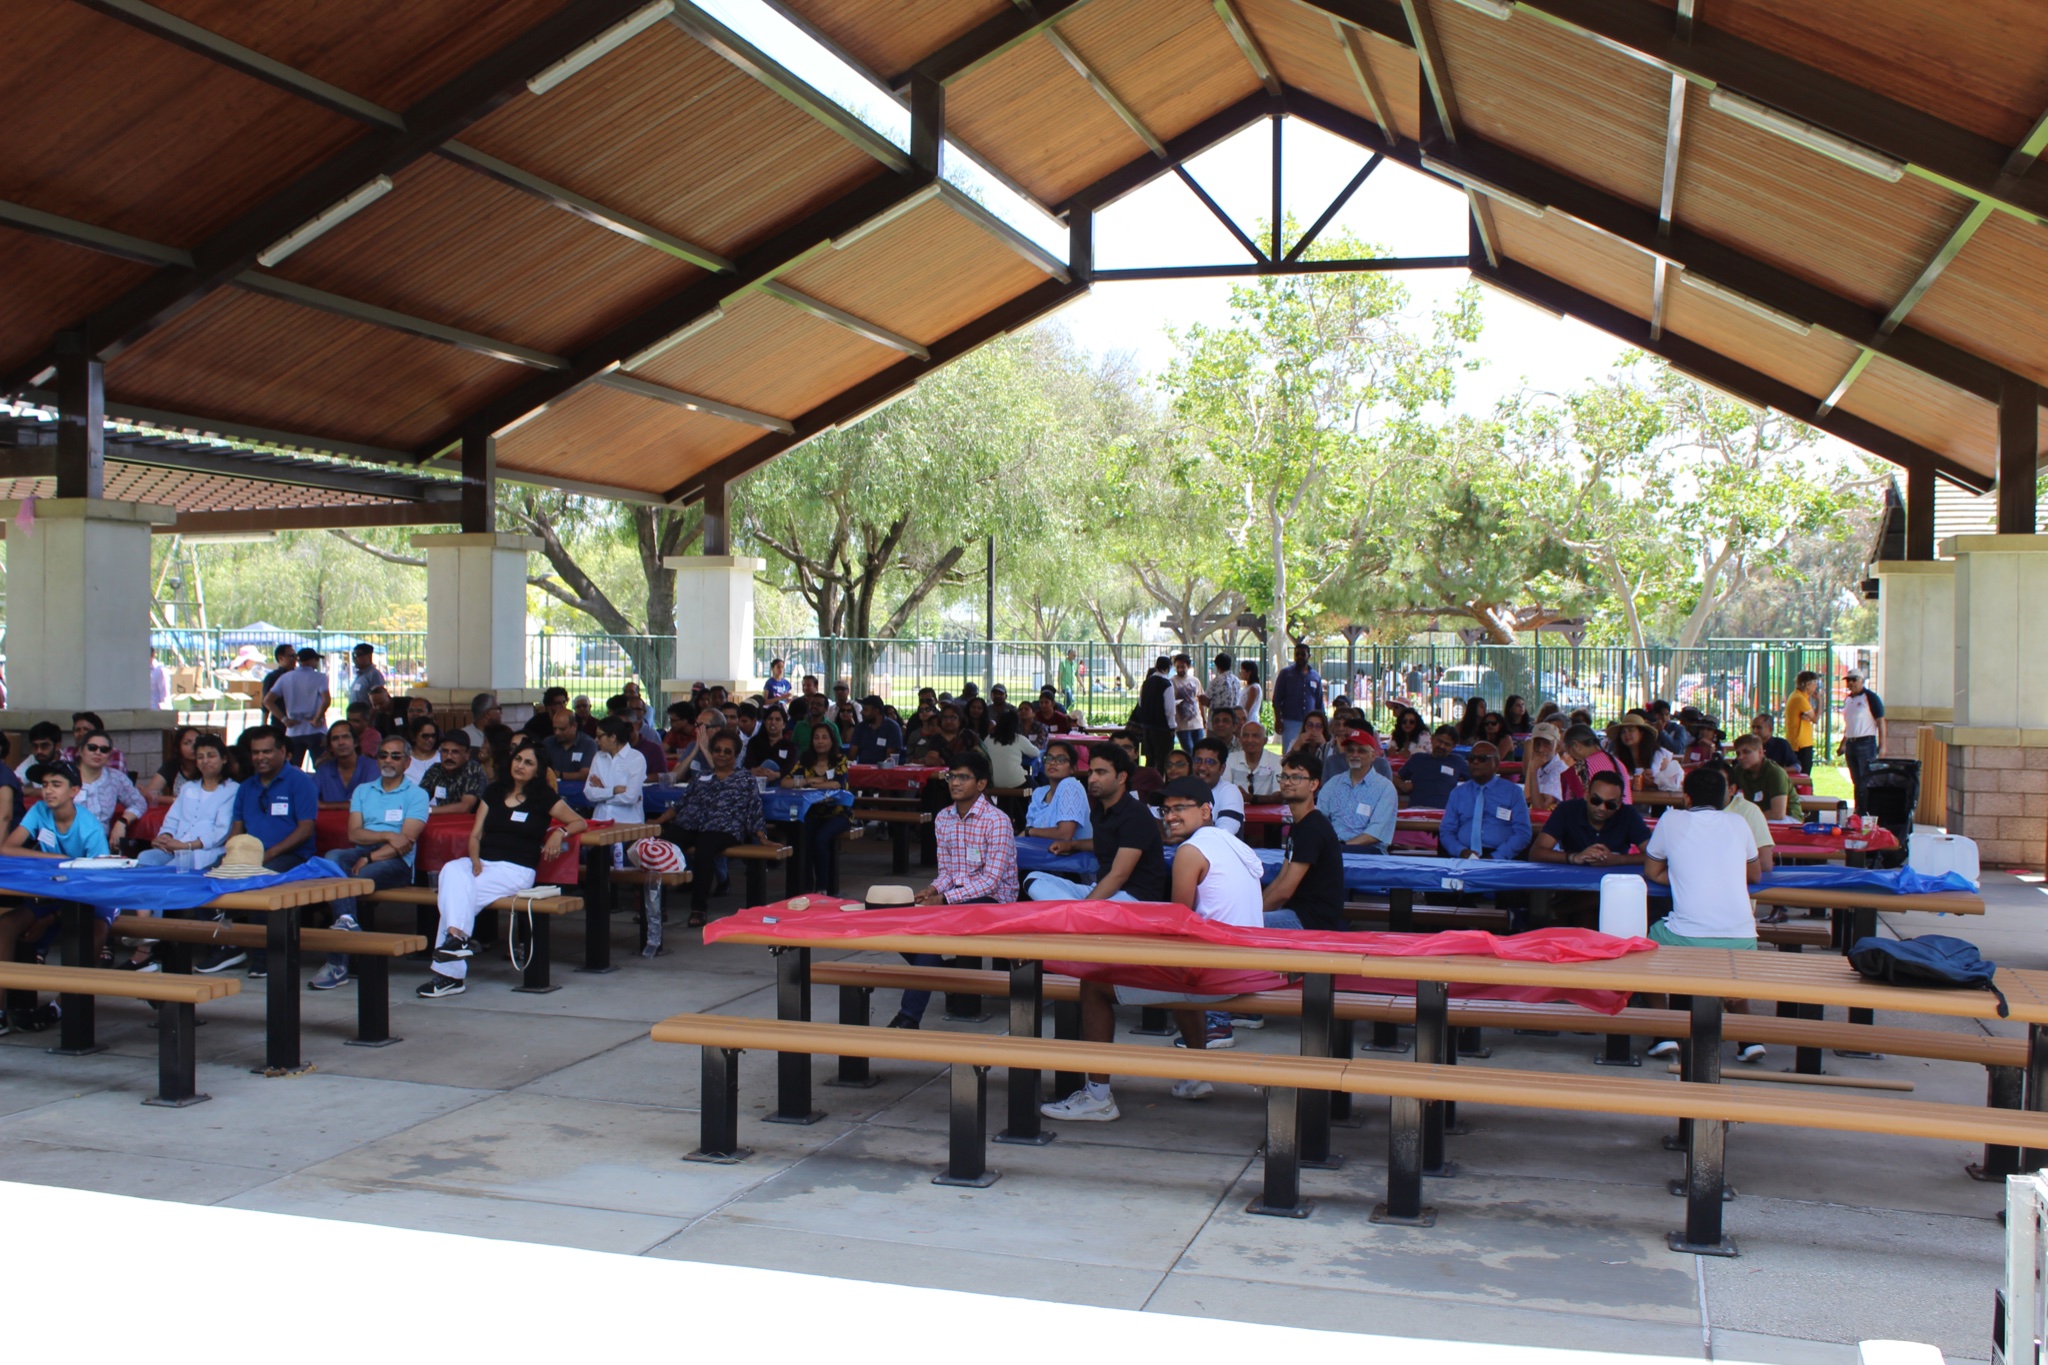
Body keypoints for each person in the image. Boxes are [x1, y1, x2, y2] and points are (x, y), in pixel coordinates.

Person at [1039, 775, 1263, 1120]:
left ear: (1206, 811)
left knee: (1095, 985)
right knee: (1176, 971)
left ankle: (1098, 1098)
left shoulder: (1191, 851)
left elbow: (1177, 925)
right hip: (1246, 964)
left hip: (1216, 973)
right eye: (1166, 809)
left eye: (1180, 809)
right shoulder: (1232, 844)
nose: (1170, 816)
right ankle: (1196, 1076)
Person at [417, 743, 586, 999]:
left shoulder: (543, 796)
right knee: (452, 870)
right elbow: (475, 835)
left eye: (528, 762)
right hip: (482, 863)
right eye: (518, 759)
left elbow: (579, 821)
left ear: (538, 770)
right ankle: (456, 941)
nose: (520, 765)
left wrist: (559, 833)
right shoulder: (494, 791)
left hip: (515, 870)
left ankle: (450, 971)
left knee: (457, 894)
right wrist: (474, 860)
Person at [886, 751, 1020, 1029]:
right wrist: (932, 889)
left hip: (995, 902)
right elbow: (948, 872)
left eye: (963, 777)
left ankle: (908, 1017)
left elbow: (991, 881)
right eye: (951, 776)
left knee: (931, 934)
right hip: (958, 897)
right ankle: (946, 975)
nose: (954, 783)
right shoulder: (944, 818)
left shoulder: (997, 820)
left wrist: (944, 899)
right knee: (898, 921)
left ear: (981, 784)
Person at [1642, 765, 1765, 1063]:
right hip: (1743, 937)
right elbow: (1756, 875)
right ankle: (1749, 1041)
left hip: (1688, 936)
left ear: (1686, 797)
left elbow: (1652, 870)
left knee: (1644, 951)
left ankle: (1665, 1033)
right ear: (1725, 797)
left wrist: (1683, 877)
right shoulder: (1738, 823)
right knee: (1731, 975)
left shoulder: (1670, 820)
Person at [313, 737, 430, 992]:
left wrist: (371, 856)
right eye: (383, 755)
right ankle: (347, 919)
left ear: (408, 762)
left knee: (351, 881)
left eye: (395, 756)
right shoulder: (363, 791)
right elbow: (354, 834)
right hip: (365, 849)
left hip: (396, 861)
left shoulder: (417, 795)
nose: (388, 760)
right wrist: (388, 834)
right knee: (332, 857)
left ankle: (337, 963)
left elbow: (406, 841)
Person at [199, 727, 317, 976]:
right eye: (255, 752)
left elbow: (306, 829)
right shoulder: (246, 787)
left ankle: (265, 952)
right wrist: (227, 856)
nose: (260, 757)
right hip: (250, 856)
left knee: (259, 879)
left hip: (292, 856)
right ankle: (228, 943)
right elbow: (237, 828)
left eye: (266, 751)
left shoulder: (300, 782)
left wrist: (271, 853)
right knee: (210, 877)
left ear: (282, 752)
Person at [0, 764, 113, 972]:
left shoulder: (90, 828)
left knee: (93, 934)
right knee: (5, 927)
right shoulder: (39, 810)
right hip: (52, 892)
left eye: (56, 784)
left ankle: (66, 1004)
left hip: (90, 896)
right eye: (44, 784)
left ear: (74, 791)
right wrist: (57, 858)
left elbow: (100, 880)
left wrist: (51, 918)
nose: (48, 790)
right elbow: (7, 848)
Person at [1024, 745, 1167, 903]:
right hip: (1102, 890)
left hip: (1134, 897)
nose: (1092, 779)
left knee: (1080, 905)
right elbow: (1104, 843)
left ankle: (1081, 914)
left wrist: (1087, 905)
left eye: (1101, 772)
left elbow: (1119, 875)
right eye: (1091, 772)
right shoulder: (1100, 810)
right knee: (1033, 880)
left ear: (1121, 778)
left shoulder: (1136, 814)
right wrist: (1073, 845)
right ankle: (1080, 916)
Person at [667, 730, 772, 927]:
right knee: (665, 843)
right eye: (717, 750)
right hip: (692, 825)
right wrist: (658, 822)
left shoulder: (745, 779)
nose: (721, 754)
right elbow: (680, 804)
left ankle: (699, 908)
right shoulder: (701, 777)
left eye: (727, 751)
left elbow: (754, 809)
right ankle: (656, 905)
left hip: (724, 829)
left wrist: (762, 835)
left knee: (704, 850)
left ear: (736, 755)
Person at [1265, 754, 1349, 931]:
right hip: (1296, 912)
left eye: (1296, 777)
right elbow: (1280, 879)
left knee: (1237, 924)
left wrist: (1249, 916)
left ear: (1313, 784)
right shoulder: (1299, 823)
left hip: (1310, 921)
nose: (1287, 782)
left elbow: (1284, 891)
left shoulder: (1312, 828)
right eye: (1285, 776)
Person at [141, 734, 239, 872]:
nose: (205, 761)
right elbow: (172, 818)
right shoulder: (188, 788)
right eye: (200, 757)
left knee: (170, 870)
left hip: (204, 851)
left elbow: (220, 832)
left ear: (223, 759)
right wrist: (165, 837)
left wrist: (187, 846)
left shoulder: (232, 790)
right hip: (176, 846)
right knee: (145, 859)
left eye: (211, 756)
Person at [1529, 770, 1650, 866]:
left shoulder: (1628, 815)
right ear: (1586, 795)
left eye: (1610, 804)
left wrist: (1616, 860)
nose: (1602, 808)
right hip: (1572, 885)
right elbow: (1536, 853)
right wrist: (1574, 857)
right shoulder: (1566, 810)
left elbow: (1655, 857)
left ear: (1619, 804)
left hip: (1612, 885)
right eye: (1596, 800)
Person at [1439, 742, 1532, 860]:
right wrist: (1461, 851)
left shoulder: (1514, 792)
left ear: (1496, 764)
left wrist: (1497, 856)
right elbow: (1446, 831)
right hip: (1463, 856)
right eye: (1471, 758)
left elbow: (1523, 833)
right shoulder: (1458, 793)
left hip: (1502, 857)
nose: (1475, 762)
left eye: (1482, 759)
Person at [1317, 729, 1398, 850]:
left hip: (1368, 853)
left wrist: (1341, 847)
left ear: (1373, 756)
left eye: (1361, 751)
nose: (1355, 755)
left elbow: (1375, 834)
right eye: (1350, 750)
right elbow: (1319, 819)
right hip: (1332, 850)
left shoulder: (1385, 788)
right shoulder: (1333, 783)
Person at [74, 730, 146, 848]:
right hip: (69, 844)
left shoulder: (116, 778)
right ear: (81, 751)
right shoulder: (65, 777)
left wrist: (122, 822)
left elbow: (139, 803)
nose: (98, 752)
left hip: (102, 845)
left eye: (104, 750)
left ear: (109, 756)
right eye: (92, 748)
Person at [269, 648, 332, 768]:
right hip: (315, 729)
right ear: (310, 661)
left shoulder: (285, 678)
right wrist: (317, 718)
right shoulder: (320, 677)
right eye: (316, 660)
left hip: (293, 730)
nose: (317, 662)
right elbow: (326, 700)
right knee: (322, 768)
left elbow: (268, 701)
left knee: (292, 769)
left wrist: (284, 719)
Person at [1024, 741, 1092, 841]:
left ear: (1072, 768)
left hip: (1071, 855)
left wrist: (1030, 832)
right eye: (1049, 758)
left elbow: (1064, 835)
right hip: (1040, 852)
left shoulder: (1071, 785)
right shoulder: (1039, 793)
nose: (1053, 762)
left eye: (1060, 759)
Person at [1840, 671, 1885, 810]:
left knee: (1866, 779)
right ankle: (1859, 809)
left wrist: (1883, 745)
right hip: (1851, 744)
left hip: (1866, 743)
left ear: (1862, 681)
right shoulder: (1848, 699)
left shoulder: (1870, 698)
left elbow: (1880, 721)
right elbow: (1849, 724)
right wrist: (1843, 743)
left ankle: (1867, 810)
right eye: (1848, 680)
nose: (1851, 683)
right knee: (1856, 780)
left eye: (1854, 680)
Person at [1731, 734, 1802, 821]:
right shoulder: (1740, 770)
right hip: (1760, 817)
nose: (1740, 757)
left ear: (1760, 752)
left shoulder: (1775, 773)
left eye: (1747, 752)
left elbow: (1778, 814)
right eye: (1738, 753)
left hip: (1788, 819)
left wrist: (1747, 817)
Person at [1395, 727, 1468, 808]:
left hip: (1444, 813)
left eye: (1447, 744)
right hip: (1416, 812)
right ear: (1432, 738)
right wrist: (1402, 785)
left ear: (1453, 747)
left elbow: (1477, 779)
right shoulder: (1417, 758)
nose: (1442, 746)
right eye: (1439, 741)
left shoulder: (1457, 761)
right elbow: (1395, 777)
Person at [1188, 737, 1246, 837]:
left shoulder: (1229, 791)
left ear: (1222, 769)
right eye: (1197, 760)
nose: (1201, 767)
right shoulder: (1184, 788)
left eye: (1210, 762)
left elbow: (1224, 833)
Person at [1613, 711, 1683, 793]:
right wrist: (1640, 781)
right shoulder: (1616, 757)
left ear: (1642, 733)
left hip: (1656, 803)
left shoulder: (1659, 755)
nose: (1626, 734)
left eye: (1631, 730)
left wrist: (1653, 782)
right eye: (1623, 732)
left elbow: (1671, 782)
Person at [1563, 722, 1631, 805]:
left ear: (1577, 745)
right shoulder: (1618, 763)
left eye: (1568, 750)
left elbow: (1570, 806)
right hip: (1624, 816)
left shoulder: (1580, 769)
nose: (1569, 756)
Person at [1271, 645, 1323, 752]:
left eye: (1303, 654)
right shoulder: (1286, 674)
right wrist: (1278, 720)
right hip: (1290, 721)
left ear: (1309, 656)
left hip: (1310, 724)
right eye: (1297, 654)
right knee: (1290, 751)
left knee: (1310, 751)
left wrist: (1322, 723)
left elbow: (1319, 702)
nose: (1300, 657)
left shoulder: (1315, 676)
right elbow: (1277, 699)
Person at [313, 721, 378, 804]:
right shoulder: (324, 770)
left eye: (345, 737)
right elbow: (310, 800)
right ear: (330, 747)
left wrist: (325, 806)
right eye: (335, 738)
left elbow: (371, 803)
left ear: (356, 742)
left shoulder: (372, 766)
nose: (341, 742)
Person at [425, 732, 489, 815]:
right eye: (445, 751)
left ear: (467, 754)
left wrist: (428, 810)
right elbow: (418, 799)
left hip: (469, 823)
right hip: (441, 822)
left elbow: (465, 807)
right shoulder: (435, 769)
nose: (449, 757)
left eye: (455, 752)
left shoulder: (473, 769)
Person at [980, 705, 1040, 789]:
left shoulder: (988, 738)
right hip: (1017, 781)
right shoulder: (1019, 738)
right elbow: (1036, 753)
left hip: (992, 781)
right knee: (1037, 788)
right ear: (1016, 723)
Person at [139, 725, 203, 804]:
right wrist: (145, 794)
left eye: (197, 742)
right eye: (187, 743)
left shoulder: (208, 766)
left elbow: (198, 800)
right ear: (178, 747)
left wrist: (159, 798)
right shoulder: (172, 766)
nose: (194, 747)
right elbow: (149, 793)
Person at [1223, 721, 1281, 801]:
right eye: (1246, 736)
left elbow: (1279, 796)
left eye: (1255, 736)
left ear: (1265, 741)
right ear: (1240, 740)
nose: (1250, 740)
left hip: (1268, 811)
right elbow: (1224, 790)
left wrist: (1251, 799)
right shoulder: (1231, 759)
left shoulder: (1277, 761)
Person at [1134, 655, 1173, 771]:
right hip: (1162, 727)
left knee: (1149, 758)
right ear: (1168, 668)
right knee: (1162, 759)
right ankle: (1160, 784)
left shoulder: (1146, 683)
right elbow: (1170, 709)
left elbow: (1141, 703)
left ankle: (1148, 782)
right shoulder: (1166, 683)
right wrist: (1172, 727)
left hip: (1147, 726)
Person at [1522, 722, 1568, 812]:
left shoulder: (1558, 770)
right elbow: (1527, 796)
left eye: (1546, 744)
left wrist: (1533, 771)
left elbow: (1539, 809)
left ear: (1557, 747)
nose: (1540, 749)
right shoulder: (1541, 765)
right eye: (1537, 744)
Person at [544, 708, 598, 784]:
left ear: (574, 726)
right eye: (554, 729)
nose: (557, 733)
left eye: (562, 729)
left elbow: (586, 774)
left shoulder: (588, 744)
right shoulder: (548, 743)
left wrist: (559, 775)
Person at [1783, 671, 1821, 775]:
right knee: (1803, 776)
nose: (1816, 686)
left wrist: (1810, 717)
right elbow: (1816, 719)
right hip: (1801, 744)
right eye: (1814, 683)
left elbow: (1811, 717)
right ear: (1807, 684)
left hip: (1799, 742)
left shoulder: (1799, 696)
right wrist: (1820, 701)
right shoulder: (1800, 699)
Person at [849, 695, 904, 766]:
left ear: (876, 711)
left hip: (883, 772)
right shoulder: (860, 727)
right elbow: (852, 754)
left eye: (865, 710)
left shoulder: (892, 728)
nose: (861, 712)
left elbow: (890, 760)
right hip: (862, 769)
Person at [744, 706, 796, 777]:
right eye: (770, 719)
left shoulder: (790, 746)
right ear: (765, 723)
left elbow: (790, 767)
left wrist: (776, 775)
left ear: (784, 724)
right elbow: (748, 765)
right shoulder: (754, 742)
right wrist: (756, 771)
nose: (773, 722)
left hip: (780, 783)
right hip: (758, 780)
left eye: (777, 719)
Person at [1170, 654, 1202, 752]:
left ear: (1188, 666)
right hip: (1182, 724)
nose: (1180, 669)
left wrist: (1203, 720)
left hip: (1197, 722)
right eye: (1177, 667)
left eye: (1183, 667)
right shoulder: (1172, 681)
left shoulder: (1195, 681)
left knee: (1200, 749)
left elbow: (1200, 699)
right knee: (1189, 751)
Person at [1204, 652, 1239, 730]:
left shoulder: (1216, 681)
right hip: (1232, 719)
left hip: (1217, 721)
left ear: (1217, 666)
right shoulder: (1236, 680)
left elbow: (1206, 700)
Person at [402, 720, 442, 787]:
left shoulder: (441, 757)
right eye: (425, 736)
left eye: (433, 736)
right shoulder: (403, 758)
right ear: (413, 737)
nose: (430, 739)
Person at [347, 642, 385, 707]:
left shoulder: (374, 674)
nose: (354, 659)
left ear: (368, 656)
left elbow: (378, 701)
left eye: (357, 655)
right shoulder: (359, 675)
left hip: (366, 715)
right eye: (353, 656)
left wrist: (369, 716)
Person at [1237, 659, 1264, 729]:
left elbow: (1247, 708)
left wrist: (1242, 718)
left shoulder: (1253, 688)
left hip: (1249, 719)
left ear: (1249, 673)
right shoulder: (1247, 687)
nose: (1240, 673)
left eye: (1242, 671)